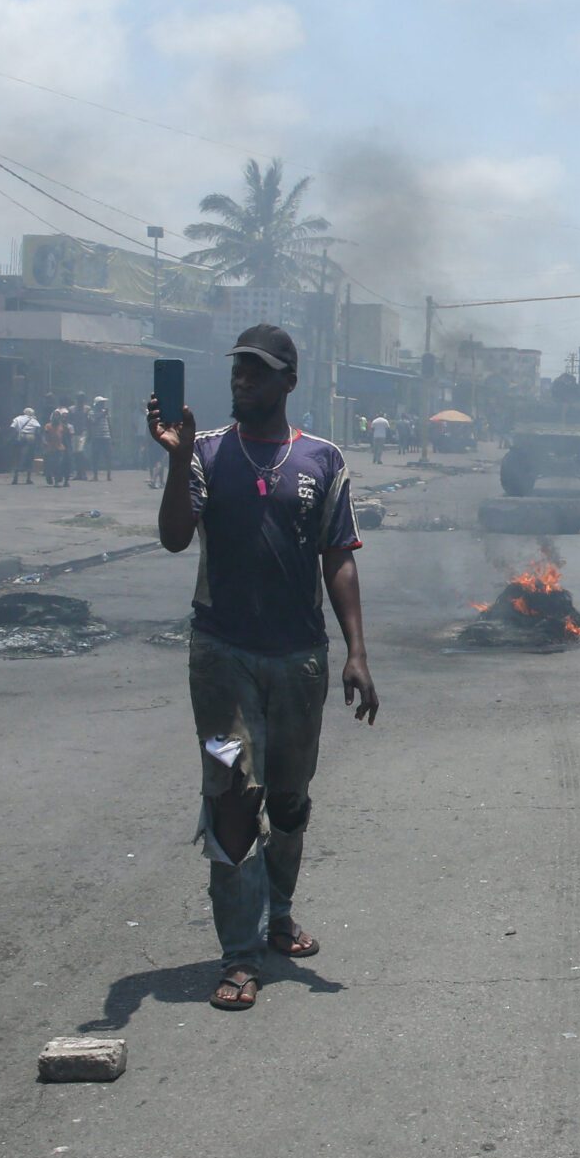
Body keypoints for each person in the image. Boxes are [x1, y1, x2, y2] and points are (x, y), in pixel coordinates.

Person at [149, 325, 377, 1013]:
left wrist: (357, 651)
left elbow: (337, 555)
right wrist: (177, 457)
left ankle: (278, 912)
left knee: (289, 799)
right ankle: (240, 952)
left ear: (288, 381)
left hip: (301, 661)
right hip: (220, 658)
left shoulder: (322, 459)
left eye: (258, 372)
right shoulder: (208, 452)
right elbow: (173, 537)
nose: (243, 380)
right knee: (230, 796)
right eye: (239, 370)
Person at [7, 406, 40, 486]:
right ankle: (28, 479)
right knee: (30, 457)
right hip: (30, 437)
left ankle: (15, 478)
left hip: (20, 436)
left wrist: (11, 438)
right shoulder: (34, 420)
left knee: (17, 456)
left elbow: (12, 427)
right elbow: (38, 429)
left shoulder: (18, 418)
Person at [43, 402, 72, 488]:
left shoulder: (62, 426)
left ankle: (56, 481)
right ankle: (49, 477)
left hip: (60, 448)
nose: (56, 417)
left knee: (58, 464)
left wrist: (68, 448)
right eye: (54, 416)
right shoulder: (48, 426)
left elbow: (67, 437)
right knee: (49, 464)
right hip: (50, 448)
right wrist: (44, 442)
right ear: (52, 417)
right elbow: (44, 435)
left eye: (57, 416)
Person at [89, 396, 114, 482]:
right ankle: (95, 475)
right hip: (97, 437)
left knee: (108, 456)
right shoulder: (92, 412)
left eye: (104, 403)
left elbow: (109, 424)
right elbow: (93, 422)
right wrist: (102, 415)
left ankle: (109, 475)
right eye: (101, 403)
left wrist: (112, 436)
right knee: (95, 457)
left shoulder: (106, 412)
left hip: (106, 437)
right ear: (97, 404)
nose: (103, 404)